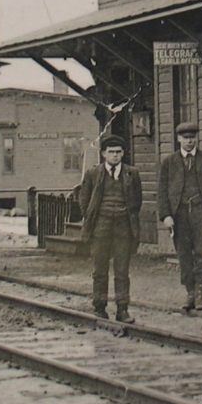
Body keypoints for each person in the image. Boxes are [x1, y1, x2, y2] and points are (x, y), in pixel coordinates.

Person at [157, 122, 202, 311]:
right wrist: (166, 216)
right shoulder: (169, 162)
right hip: (178, 214)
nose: (189, 141)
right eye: (185, 138)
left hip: (200, 211)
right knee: (184, 254)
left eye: (192, 137)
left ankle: (200, 293)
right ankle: (189, 292)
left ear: (197, 138)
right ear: (178, 139)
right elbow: (162, 191)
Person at [79, 134, 143, 322]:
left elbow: (136, 201)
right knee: (100, 269)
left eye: (118, 152)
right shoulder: (93, 174)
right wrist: (93, 218)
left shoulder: (132, 174)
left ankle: (122, 309)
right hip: (101, 227)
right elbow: (84, 199)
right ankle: (99, 306)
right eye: (111, 152)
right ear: (103, 154)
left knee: (122, 270)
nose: (115, 156)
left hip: (123, 226)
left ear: (123, 153)